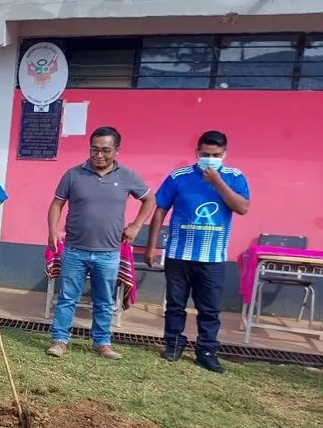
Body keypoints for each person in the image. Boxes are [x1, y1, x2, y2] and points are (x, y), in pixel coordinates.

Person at [46, 126, 155, 360]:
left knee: (104, 300)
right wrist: (52, 231)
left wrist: (136, 226)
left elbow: (149, 199)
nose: (99, 155)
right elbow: (57, 204)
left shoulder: (127, 177)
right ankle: (60, 340)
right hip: (75, 249)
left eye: (105, 150)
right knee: (67, 298)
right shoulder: (73, 174)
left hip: (108, 253)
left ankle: (102, 343)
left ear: (117, 150)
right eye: (94, 149)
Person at [146, 130, 250, 374]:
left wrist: (218, 183)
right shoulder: (179, 176)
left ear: (224, 154)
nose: (209, 159)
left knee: (209, 308)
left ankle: (206, 351)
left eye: (215, 155)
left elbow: (242, 208)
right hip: (179, 254)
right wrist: (152, 245)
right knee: (175, 304)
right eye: (205, 154)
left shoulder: (234, 177)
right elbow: (160, 209)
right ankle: (172, 344)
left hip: (213, 258)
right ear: (197, 153)